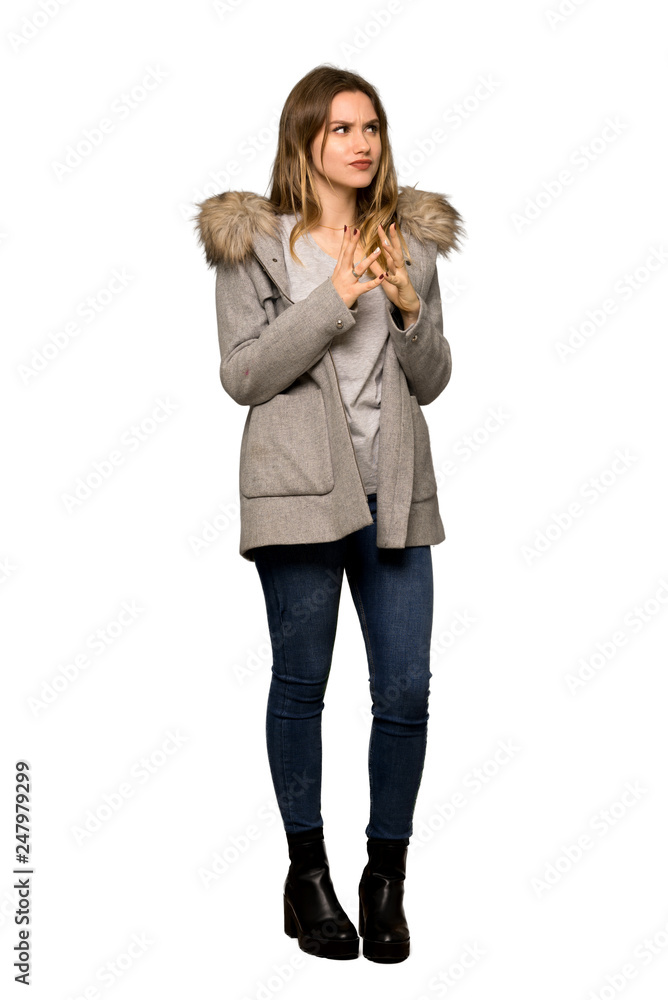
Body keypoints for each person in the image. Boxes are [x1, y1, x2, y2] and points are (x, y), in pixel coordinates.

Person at [194, 64, 465, 963]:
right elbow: (244, 375)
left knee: (406, 692)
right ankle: (306, 875)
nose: (361, 143)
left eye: (371, 127)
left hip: (396, 494)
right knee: (301, 685)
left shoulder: (407, 241)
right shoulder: (254, 244)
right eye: (341, 128)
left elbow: (432, 379)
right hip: (299, 496)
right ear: (304, 139)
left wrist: (408, 311)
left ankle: (385, 879)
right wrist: (335, 298)